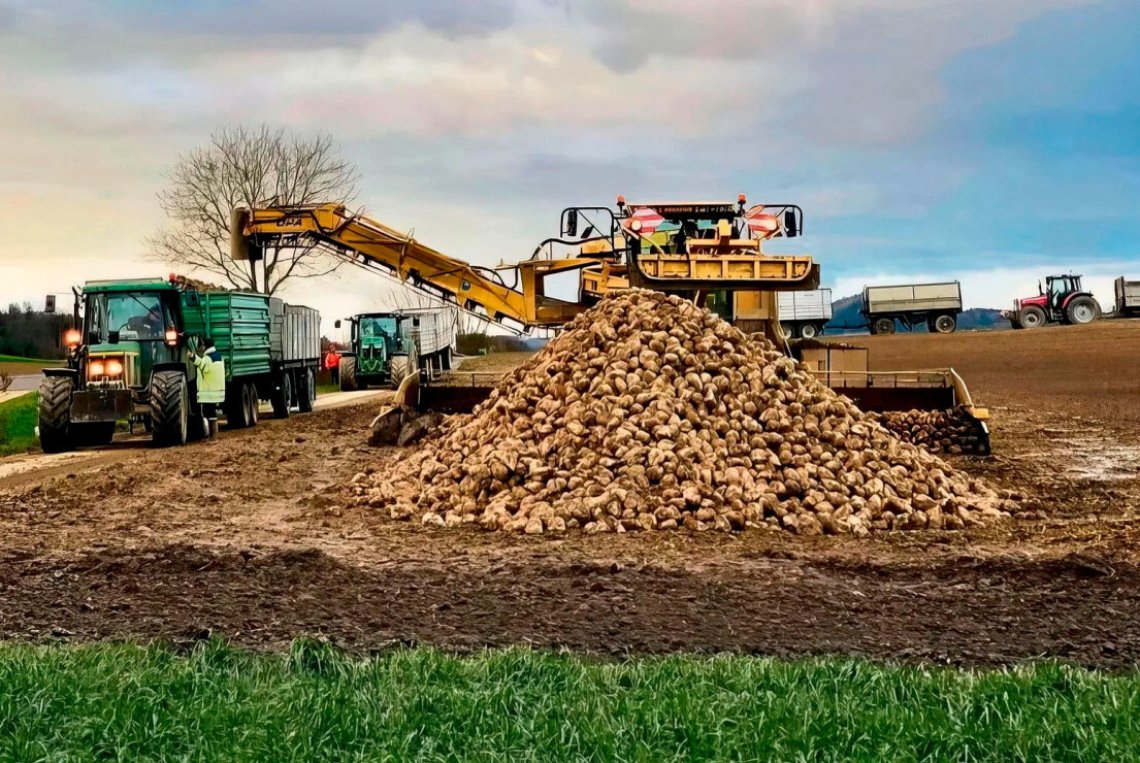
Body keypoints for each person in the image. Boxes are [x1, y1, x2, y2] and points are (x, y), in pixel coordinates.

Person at [188, 335, 225, 438]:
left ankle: (210, 435)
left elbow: (202, 365)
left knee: (207, 413)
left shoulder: (207, 358)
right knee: (212, 412)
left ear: (205, 346)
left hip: (208, 392)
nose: (201, 347)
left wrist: (192, 356)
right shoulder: (219, 357)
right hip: (217, 391)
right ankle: (213, 435)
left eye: (202, 345)